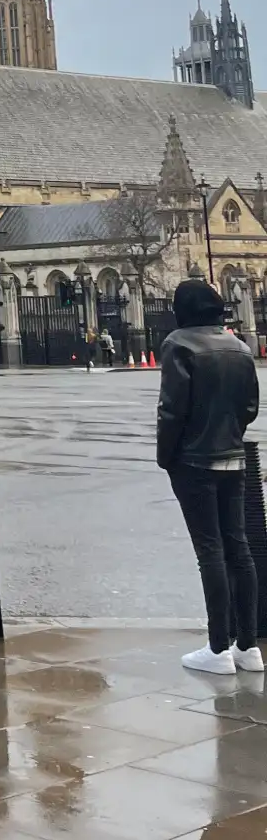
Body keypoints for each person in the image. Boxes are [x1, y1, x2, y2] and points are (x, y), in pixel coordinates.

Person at [157, 277, 261, 675]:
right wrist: (232, 434)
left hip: (194, 460)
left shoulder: (179, 344)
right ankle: (248, 647)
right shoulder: (239, 346)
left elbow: (172, 410)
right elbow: (249, 405)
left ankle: (218, 648)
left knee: (210, 552)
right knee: (239, 547)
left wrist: (167, 456)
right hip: (233, 455)